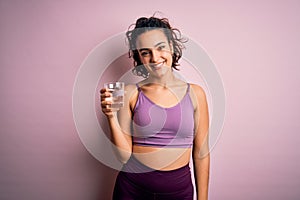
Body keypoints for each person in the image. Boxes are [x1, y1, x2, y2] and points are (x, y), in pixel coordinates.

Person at [101, 16, 210, 200]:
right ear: (139, 57)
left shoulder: (196, 94)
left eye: (160, 47)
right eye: (145, 52)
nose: (154, 58)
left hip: (178, 192)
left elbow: (201, 154)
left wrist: (203, 198)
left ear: (172, 47)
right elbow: (123, 157)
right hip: (131, 190)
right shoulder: (130, 93)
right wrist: (111, 116)